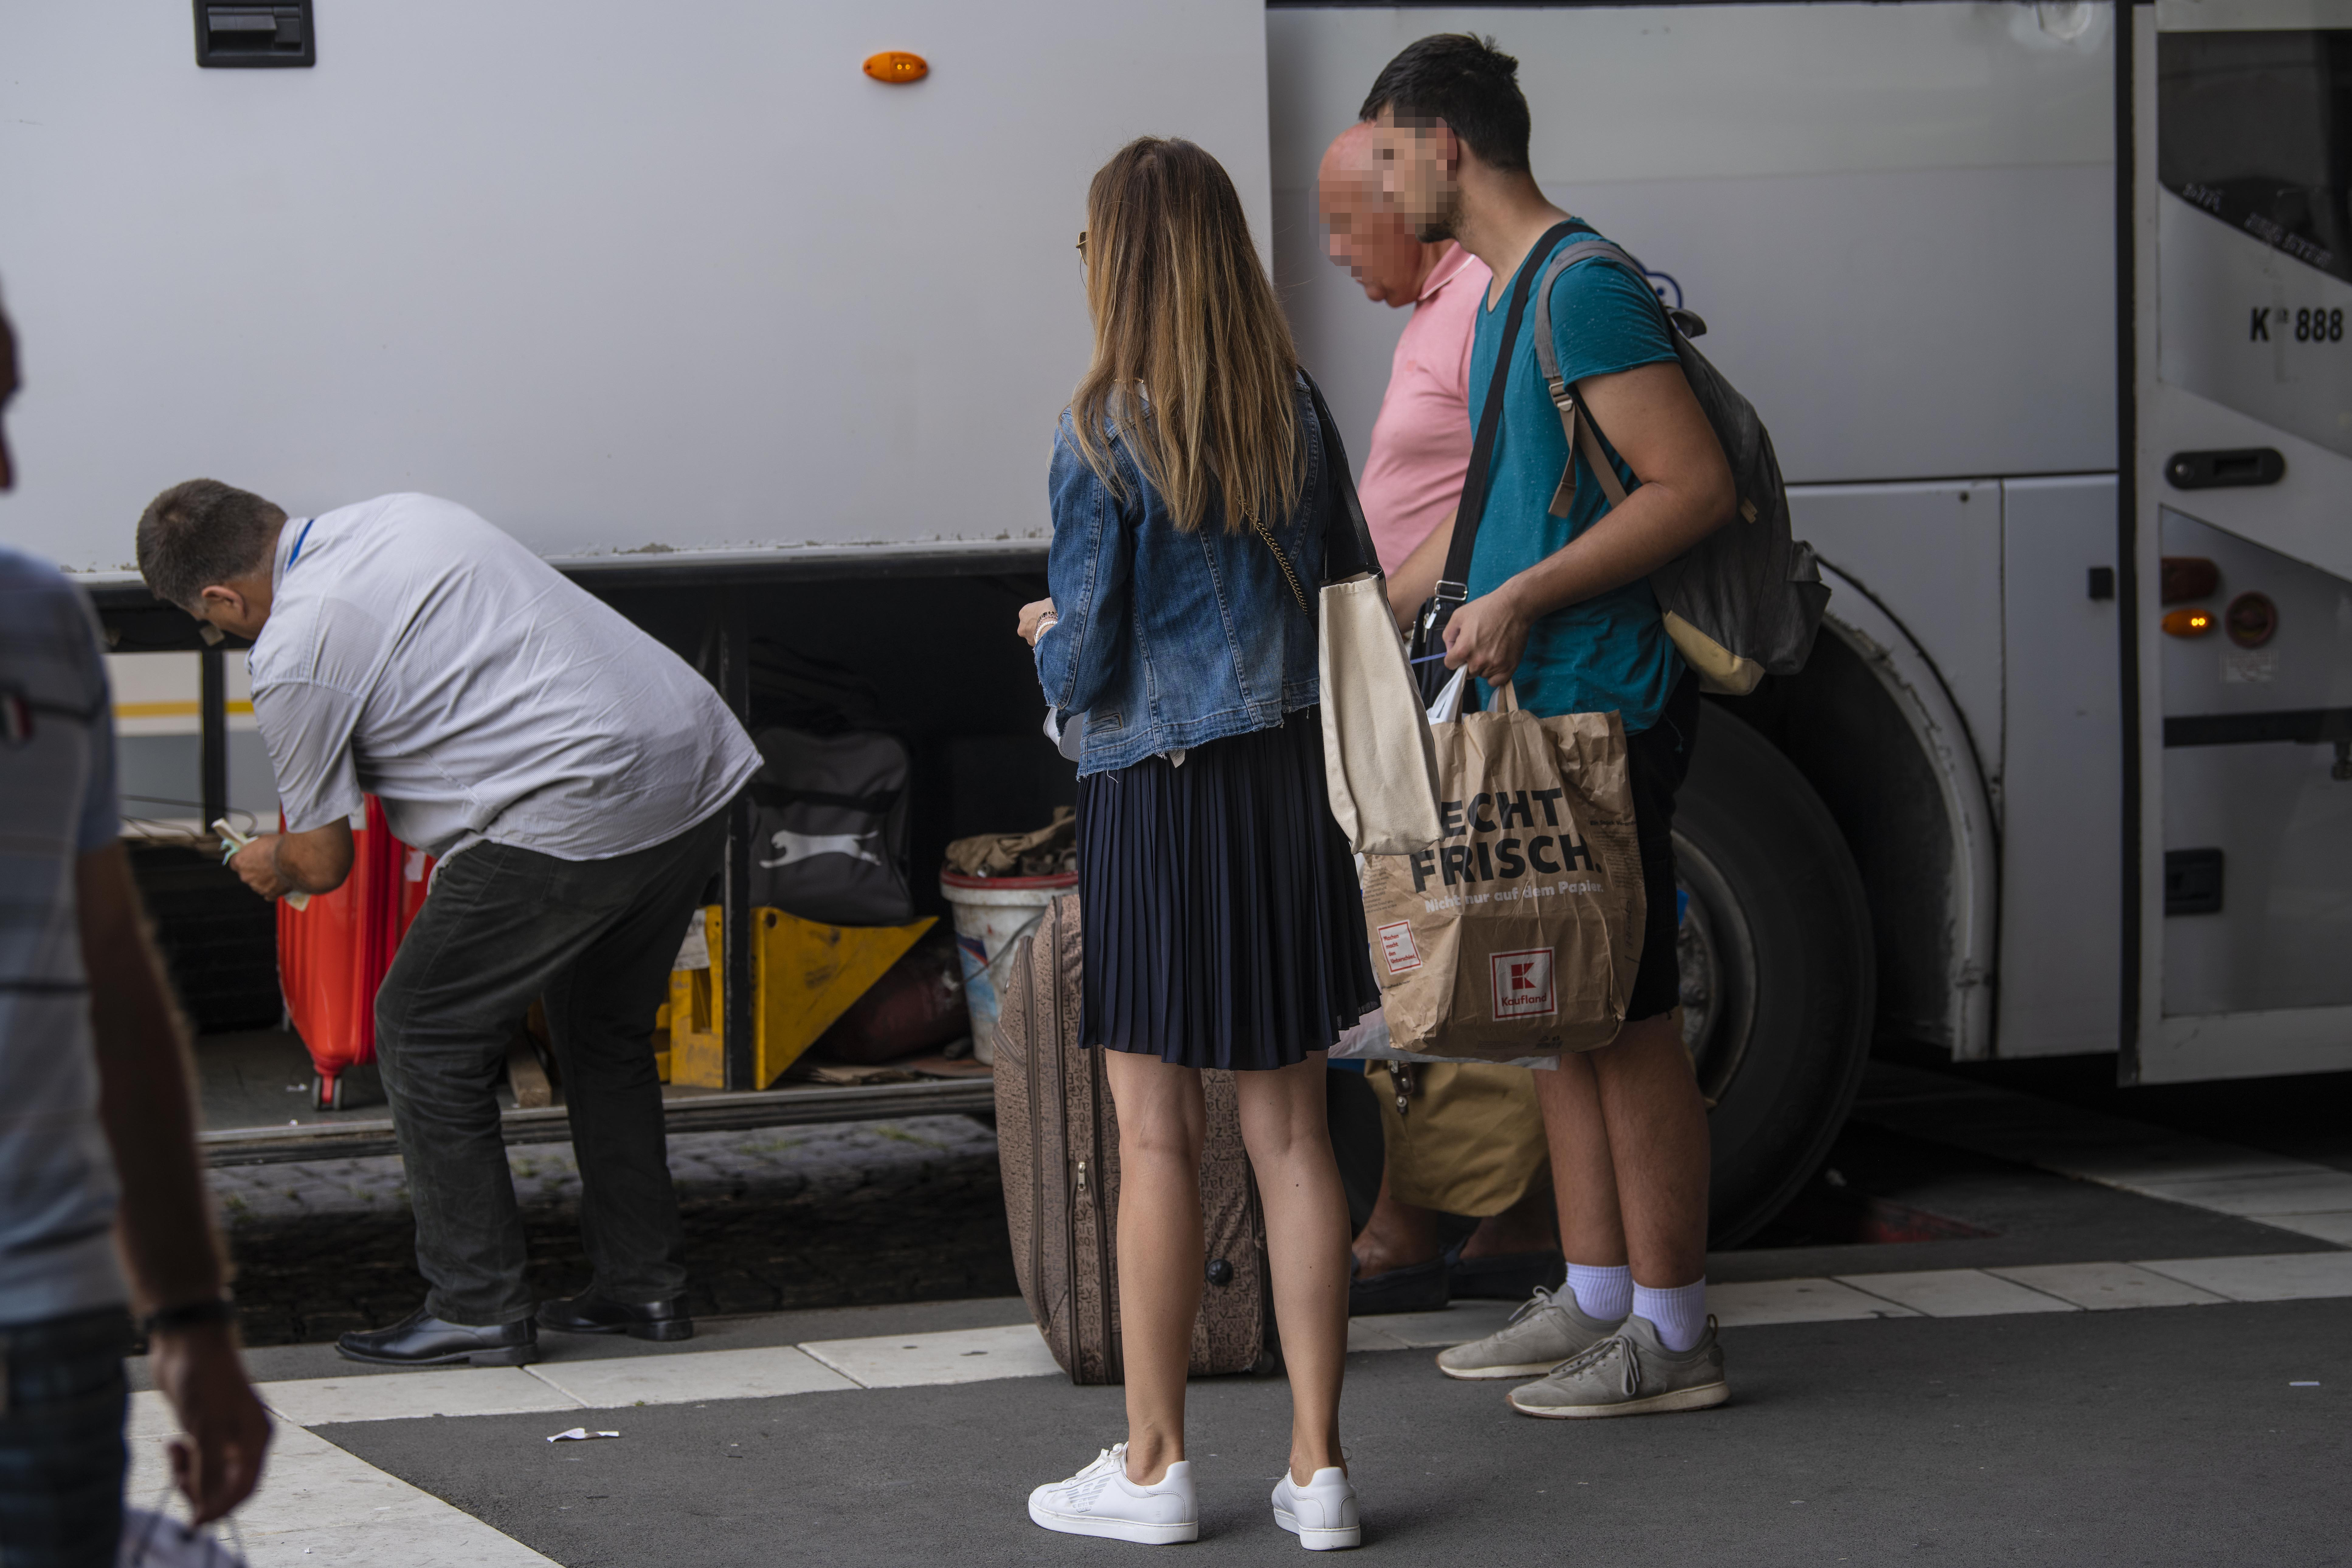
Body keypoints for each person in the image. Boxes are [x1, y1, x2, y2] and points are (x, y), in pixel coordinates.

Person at [134, 483, 762, 1367]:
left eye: (215, 628)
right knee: (601, 1033)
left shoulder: (293, 651)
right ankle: (643, 1288)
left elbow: (322, 864)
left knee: (421, 1032)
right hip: (692, 762)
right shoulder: (404, 514)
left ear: (221, 598)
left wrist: (266, 860)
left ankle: (475, 1304)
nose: (229, 637)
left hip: (574, 803)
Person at [1367, 34, 1738, 1419]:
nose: (1384, 182)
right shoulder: (1518, 291)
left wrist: (1524, 594)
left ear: (1445, 143)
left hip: (1609, 702)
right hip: (1551, 704)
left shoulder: (1582, 288)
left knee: (1631, 1023)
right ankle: (1595, 1300)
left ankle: (1678, 1330)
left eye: (1391, 153)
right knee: (1570, 1017)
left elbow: (1689, 486)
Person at [1016, 137, 1372, 1550]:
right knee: (1292, 1134)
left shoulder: (1099, 429)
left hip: (1155, 803)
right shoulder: (1291, 406)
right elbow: (1347, 591)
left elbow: (1092, 656)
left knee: (1154, 1133)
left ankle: (1157, 1468)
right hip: (1285, 796)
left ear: (1120, 261)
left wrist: (1045, 643)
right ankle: (1320, 1469)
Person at [0, 301, 273, 1563]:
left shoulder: (42, 629)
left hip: (39, 1321)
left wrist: (193, 1317)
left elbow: (114, 991)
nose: (8, 470)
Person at [1318, 119, 1563, 1317]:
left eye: (1341, 220)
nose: (1330, 249)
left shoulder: (1478, 296)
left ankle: (1462, 1212)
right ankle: (1467, 1210)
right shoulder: (1443, 303)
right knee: (1423, 947)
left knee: (1458, 942)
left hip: (1446, 665)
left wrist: (1385, 612)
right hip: (1415, 660)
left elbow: (1499, 482)